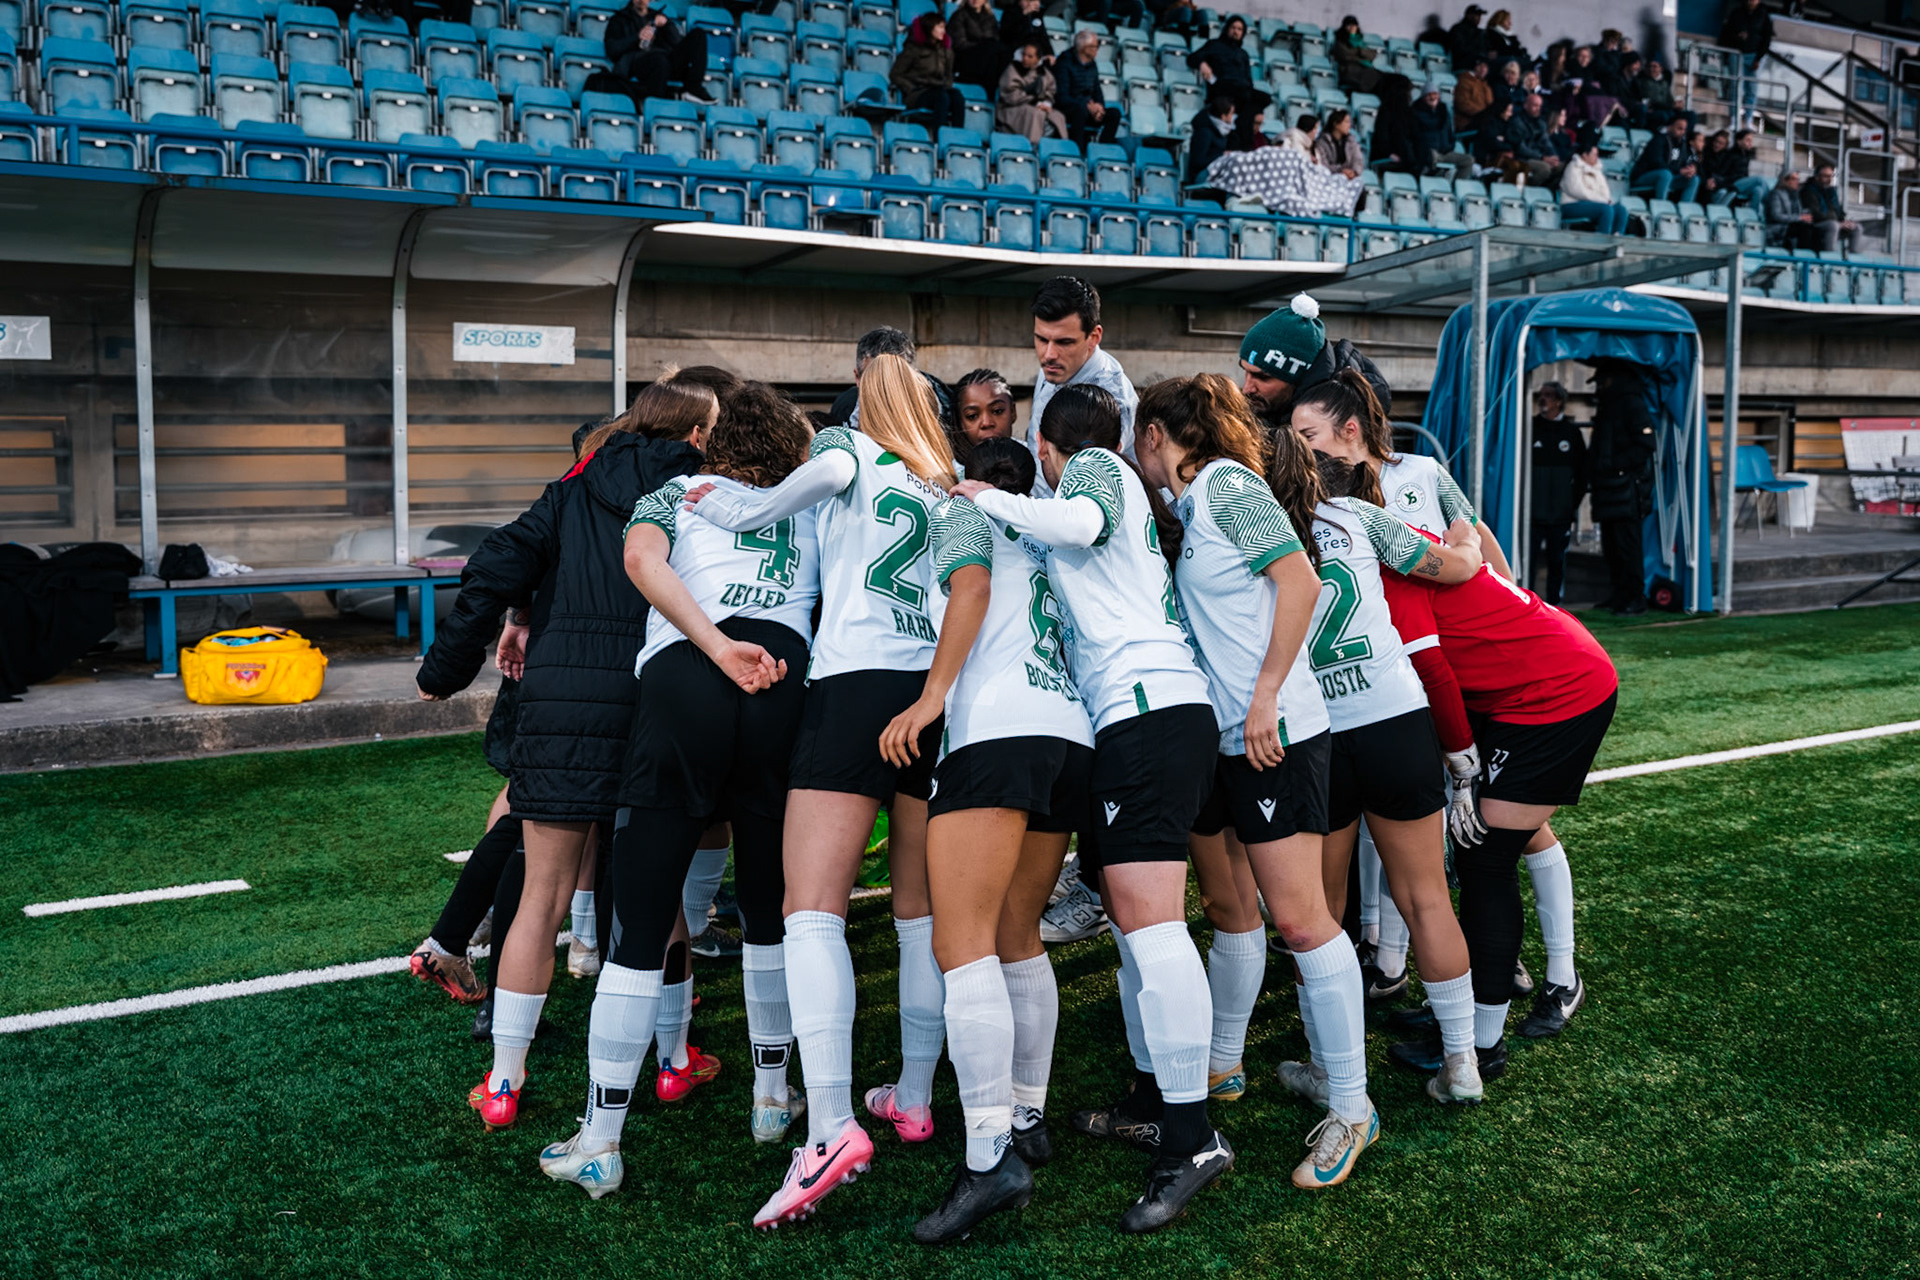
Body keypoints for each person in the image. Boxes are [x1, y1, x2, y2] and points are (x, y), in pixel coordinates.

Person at [680, 355, 958, 1230]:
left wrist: (715, 500)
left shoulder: (849, 449)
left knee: (811, 911)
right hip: (929, 692)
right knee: (917, 915)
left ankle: (832, 1124)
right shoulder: (942, 480)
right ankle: (912, 1097)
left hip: (853, 690)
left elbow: (783, 498)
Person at [537, 384, 819, 1199]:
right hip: (782, 682)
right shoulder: (812, 503)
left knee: (639, 921)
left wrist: (717, 644)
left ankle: (601, 1136)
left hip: (688, 677)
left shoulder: (680, 489)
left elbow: (640, 561)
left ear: (716, 439)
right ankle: (772, 1098)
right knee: (770, 910)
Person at [962, 385, 1233, 1233]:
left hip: (1150, 713)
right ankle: (1166, 1103)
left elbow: (1074, 525)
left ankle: (1191, 1136)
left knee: (1153, 926)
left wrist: (984, 496)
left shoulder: (1092, 472)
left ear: (1048, 448)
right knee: (1134, 923)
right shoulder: (1115, 489)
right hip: (1147, 716)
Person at [418, 376, 713, 1132]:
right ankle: (674, 1062)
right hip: (657, 696)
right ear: (692, 430)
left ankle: (506, 1082)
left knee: (542, 895)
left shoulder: (574, 485)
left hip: (559, 699)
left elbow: (491, 567)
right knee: (661, 898)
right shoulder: (705, 488)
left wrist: (444, 671)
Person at [1130, 376, 1383, 1188]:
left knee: (1303, 922)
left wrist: (1268, 691)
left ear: (1160, 435)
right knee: (1230, 911)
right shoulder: (1195, 506)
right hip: (1228, 738)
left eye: (1143, 438)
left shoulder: (1229, 485)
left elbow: (1300, 583)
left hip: (1274, 734)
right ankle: (1222, 1064)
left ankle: (1352, 1108)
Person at [890, 437, 1093, 1242]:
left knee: (960, 941)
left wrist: (930, 700)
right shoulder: (1045, 536)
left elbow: (968, 591)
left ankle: (988, 1158)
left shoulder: (965, 510)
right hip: (1066, 733)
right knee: (1015, 934)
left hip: (997, 733)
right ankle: (1028, 1112)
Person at [1279, 381, 1491, 1109]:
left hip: (1318, 734)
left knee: (1321, 911)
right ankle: (1461, 1061)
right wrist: (1463, 530)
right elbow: (1459, 566)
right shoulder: (1362, 516)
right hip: (1397, 716)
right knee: (1427, 896)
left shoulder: (1259, 529)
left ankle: (1326, 1067)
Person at [1376, 534, 1617, 1073]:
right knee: (1490, 847)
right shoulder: (1387, 535)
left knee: (1483, 858)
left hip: (1556, 691)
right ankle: (1464, 1015)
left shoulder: (1388, 552)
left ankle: (1483, 1042)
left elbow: (1433, 668)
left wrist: (1462, 765)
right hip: (1516, 685)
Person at [1025, 276, 1137, 493]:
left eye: (1064, 342)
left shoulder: (1115, 400)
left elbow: (1093, 494)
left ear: (1094, 337)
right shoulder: (1056, 366)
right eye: (1041, 339)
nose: (1048, 354)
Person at [1238, 292, 1392, 426]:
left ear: (1298, 375)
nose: (1247, 388)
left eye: (1263, 377)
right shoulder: (1272, 409)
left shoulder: (1342, 419)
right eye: (1246, 372)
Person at [1586, 361, 1657, 615]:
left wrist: (1617, 466)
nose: (1599, 388)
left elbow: (1646, 443)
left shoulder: (1630, 403)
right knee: (1612, 546)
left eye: (1602, 382)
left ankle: (1634, 596)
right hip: (1608, 489)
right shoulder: (1609, 406)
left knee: (1628, 546)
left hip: (1626, 490)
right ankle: (1619, 594)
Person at [825, 325, 952, 430]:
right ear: (857, 378)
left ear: (914, 377)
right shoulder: (845, 407)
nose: (886, 390)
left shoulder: (953, 412)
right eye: (875, 380)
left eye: (896, 378)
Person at [1528, 381, 1586, 605]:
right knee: (1528, 561)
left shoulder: (1572, 434)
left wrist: (1571, 504)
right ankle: (1527, 605)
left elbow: (1582, 474)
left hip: (1560, 515)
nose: (1543, 399)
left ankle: (1554, 606)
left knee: (1557, 562)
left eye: (1549, 396)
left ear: (1560, 401)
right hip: (1531, 515)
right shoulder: (1529, 427)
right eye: (1541, 395)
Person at [603, 0, 712, 109]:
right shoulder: (619, 19)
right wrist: (637, 37)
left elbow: (677, 43)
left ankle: (693, 88)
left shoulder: (658, 16)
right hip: (638, 63)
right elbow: (612, 49)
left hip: (666, 60)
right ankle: (656, 108)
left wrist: (666, 26)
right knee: (659, 60)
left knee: (698, 34)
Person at [1188, 15, 1271, 151]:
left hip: (1242, 93)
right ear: (1227, 29)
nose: (1236, 31)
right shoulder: (1214, 45)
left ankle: (1245, 145)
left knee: (1262, 100)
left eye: (1239, 29)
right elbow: (1192, 58)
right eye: (1233, 28)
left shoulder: (1243, 54)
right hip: (1222, 90)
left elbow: (1248, 79)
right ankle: (1246, 144)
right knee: (1247, 104)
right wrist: (1202, 64)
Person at [892, 14, 966, 133]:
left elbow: (949, 75)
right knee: (942, 98)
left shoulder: (946, 51)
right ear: (930, 28)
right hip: (919, 93)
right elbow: (895, 74)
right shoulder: (913, 49)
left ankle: (957, 136)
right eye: (940, 27)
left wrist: (947, 85)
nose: (944, 31)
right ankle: (938, 137)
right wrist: (911, 88)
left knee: (957, 97)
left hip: (939, 89)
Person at [996, 42, 1069, 143]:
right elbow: (1010, 95)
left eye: (1030, 56)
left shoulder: (1044, 73)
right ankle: (1032, 146)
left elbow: (1050, 91)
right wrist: (1035, 101)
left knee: (1058, 116)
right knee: (1036, 115)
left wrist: (1046, 103)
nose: (1025, 58)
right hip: (1011, 108)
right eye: (1024, 55)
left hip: (1036, 106)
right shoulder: (1013, 69)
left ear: (1037, 58)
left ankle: (1056, 149)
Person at [1057, 29, 1119, 145]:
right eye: (1096, 46)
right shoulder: (1064, 62)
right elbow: (1062, 97)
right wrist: (1087, 105)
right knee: (1081, 110)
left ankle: (1103, 150)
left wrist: (1099, 108)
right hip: (1070, 108)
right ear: (1085, 48)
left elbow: (1097, 90)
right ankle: (1077, 150)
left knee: (1114, 114)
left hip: (1089, 108)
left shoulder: (1092, 64)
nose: (1098, 49)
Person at [1559, 137, 1630, 234]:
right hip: (1572, 204)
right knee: (1605, 209)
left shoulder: (1597, 170)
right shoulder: (1573, 167)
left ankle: (1616, 236)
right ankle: (1602, 240)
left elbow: (1604, 191)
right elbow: (1576, 190)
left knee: (1620, 210)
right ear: (1585, 155)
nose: (1597, 157)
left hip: (1594, 204)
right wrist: (1600, 200)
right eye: (1594, 155)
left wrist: (1605, 200)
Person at [1629, 112, 1700, 204]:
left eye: (1684, 130)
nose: (1682, 132)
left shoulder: (1682, 145)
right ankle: (1661, 206)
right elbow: (1656, 163)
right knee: (1665, 174)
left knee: (1694, 179)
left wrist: (1690, 169)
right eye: (1679, 128)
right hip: (1643, 176)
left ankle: (1684, 210)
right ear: (1671, 127)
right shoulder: (1658, 140)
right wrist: (1679, 171)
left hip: (1669, 177)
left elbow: (1685, 162)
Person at [1720, 0, 1772, 122]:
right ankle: (1734, 118)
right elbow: (1727, 33)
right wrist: (1737, 37)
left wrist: (1759, 58)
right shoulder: (1737, 12)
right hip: (1737, 53)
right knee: (1736, 87)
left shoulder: (1764, 15)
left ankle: (1748, 119)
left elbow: (1767, 38)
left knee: (1752, 89)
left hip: (1754, 54)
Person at [951, 368, 1019, 457]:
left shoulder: (1038, 460)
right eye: (972, 416)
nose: (986, 423)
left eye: (997, 411)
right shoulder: (948, 469)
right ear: (961, 423)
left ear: (1013, 412)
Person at [1365, 73, 1423, 174]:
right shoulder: (1386, 112)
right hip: (1390, 156)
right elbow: (1381, 140)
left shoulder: (1410, 113)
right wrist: (1389, 154)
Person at [1411, 82, 1473, 173]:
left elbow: (1450, 133)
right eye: (1429, 95)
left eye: (1435, 94)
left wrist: (1450, 146)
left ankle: (1455, 186)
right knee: (1431, 157)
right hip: (1427, 153)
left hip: (1444, 152)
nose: (1432, 97)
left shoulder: (1444, 111)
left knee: (1468, 160)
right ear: (1423, 97)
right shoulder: (1415, 112)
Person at [1803, 163, 1863, 252]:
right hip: (1816, 224)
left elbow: (1837, 210)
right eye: (1826, 176)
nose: (1829, 179)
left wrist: (1844, 221)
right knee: (1833, 226)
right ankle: (1829, 258)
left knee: (1856, 227)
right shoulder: (1808, 191)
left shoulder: (1831, 192)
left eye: (1831, 176)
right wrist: (1838, 223)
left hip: (1833, 222)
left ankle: (1853, 260)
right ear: (1817, 177)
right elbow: (1815, 213)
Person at [948, 0, 1005, 91]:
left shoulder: (990, 17)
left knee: (1002, 52)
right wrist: (981, 46)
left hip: (987, 56)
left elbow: (995, 38)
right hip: (966, 56)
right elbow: (959, 44)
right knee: (991, 48)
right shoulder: (959, 15)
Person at [1186, 90, 1240, 187]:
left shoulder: (1223, 131)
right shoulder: (1204, 132)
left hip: (1216, 171)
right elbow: (1197, 162)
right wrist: (1221, 155)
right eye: (1231, 114)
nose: (1233, 117)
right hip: (1201, 175)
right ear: (1223, 116)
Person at [1710, 128, 1768, 207]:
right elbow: (1722, 173)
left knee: (1758, 190)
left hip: (1742, 185)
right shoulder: (1731, 155)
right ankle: (1770, 203)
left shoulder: (1746, 155)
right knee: (1759, 179)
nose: (1750, 143)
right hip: (1732, 184)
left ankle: (1753, 214)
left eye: (1751, 141)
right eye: (1747, 140)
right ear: (1739, 141)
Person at [1330, 14, 1383, 94]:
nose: (1352, 28)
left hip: (1364, 69)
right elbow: (1346, 56)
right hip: (1349, 70)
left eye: (1354, 25)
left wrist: (1358, 51)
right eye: (1349, 25)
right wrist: (1362, 55)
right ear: (1344, 27)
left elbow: (1372, 55)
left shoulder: (1360, 41)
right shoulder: (1340, 41)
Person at [1766, 170, 1817, 248]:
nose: (1797, 182)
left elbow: (1798, 212)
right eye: (1794, 179)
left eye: (1798, 179)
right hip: (1780, 227)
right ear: (1784, 180)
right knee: (1804, 230)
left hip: (1793, 225)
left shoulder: (1795, 195)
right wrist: (1799, 218)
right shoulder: (1775, 194)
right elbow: (1776, 216)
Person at [1311, 108, 1366, 178]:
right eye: (1346, 122)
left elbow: (1358, 160)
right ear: (1336, 124)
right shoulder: (1322, 142)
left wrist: (1354, 172)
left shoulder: (1351, 141)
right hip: (1329, 179)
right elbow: (1323, 165)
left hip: (1350, 179)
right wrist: (1341, 171)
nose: (1349, 125)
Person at [1632, 58, 1676, 129]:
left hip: (1666, 109)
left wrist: (1675, 104)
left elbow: (1669, 99)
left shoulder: (1664, 83)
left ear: (1661, 69)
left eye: (1654, 66)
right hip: (1652, 110)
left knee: (1686, 115)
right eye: (1649, 66)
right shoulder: (1641, 82)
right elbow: (1650, 101)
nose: (1651, 69)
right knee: (1663, 116)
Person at [1453, 58, 1492, 129]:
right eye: (1480, 66)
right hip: (1467, 122)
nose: (1483, 69)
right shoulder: (1464, 81)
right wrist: (1483, 115)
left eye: (1485, 67)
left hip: (1483, 120)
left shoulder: (1485, 84)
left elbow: (1490, 103)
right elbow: (1463, 104)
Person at [1448, 4, 1487, 71]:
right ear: (1469, 16)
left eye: (1480, 15)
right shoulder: (1458, 29)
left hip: (1478, 64)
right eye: (1477, 15)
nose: (1479, 18)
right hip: (1464, 65)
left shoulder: (1480, 32)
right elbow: (1460, 50)